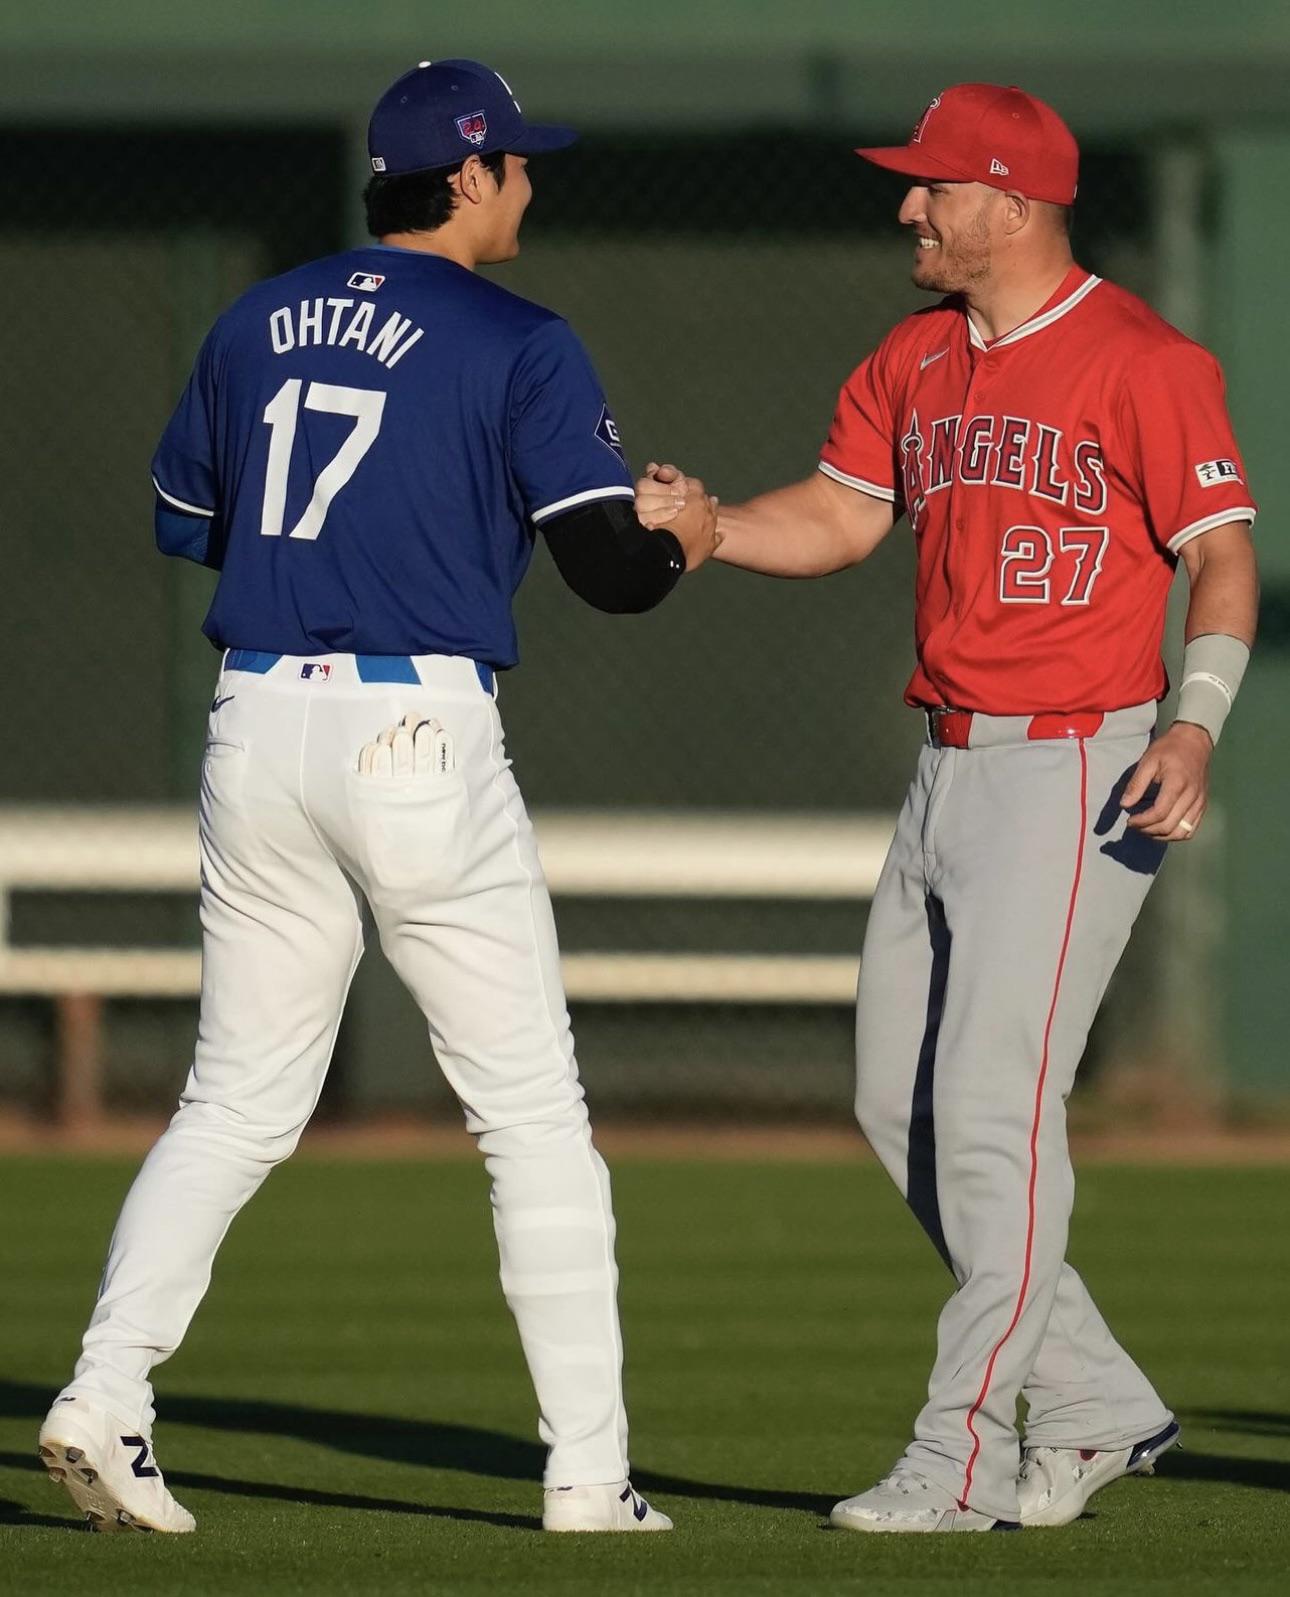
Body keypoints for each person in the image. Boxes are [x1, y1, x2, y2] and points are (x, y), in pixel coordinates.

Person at [39, 57, 717, 1536]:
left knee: (227, 1098)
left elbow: (195, 519)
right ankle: (589, 1477)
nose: (530, 182)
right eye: (519, 164)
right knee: (531, 1112)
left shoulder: (253, 316)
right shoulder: (516, 337)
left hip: (257, 720)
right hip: (414, 731)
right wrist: (688, 535)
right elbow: (611, 574)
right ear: (466, 177)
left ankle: (105, 1388)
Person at [637, 82, 1257, 1533]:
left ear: (1014, 202)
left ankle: (962, 1454)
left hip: (1078, 764)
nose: (906, 207)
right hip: (945, 764)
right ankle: (1099, 1401)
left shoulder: (1142, 359)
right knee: (893, 1104)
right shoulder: (915, 357)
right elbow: (846, 517)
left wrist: (1195, 718)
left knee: (991, 1111)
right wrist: (717, 527)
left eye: (932, 187)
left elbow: (1220, 557)